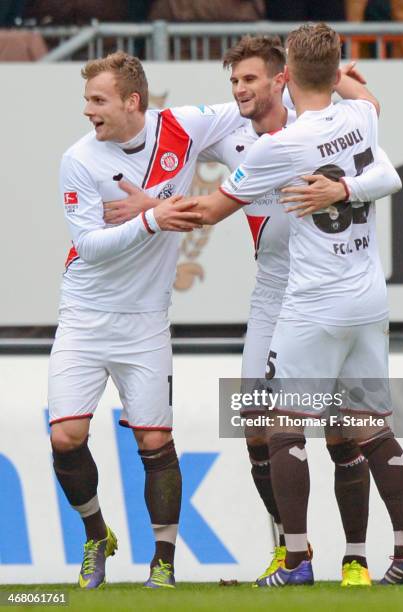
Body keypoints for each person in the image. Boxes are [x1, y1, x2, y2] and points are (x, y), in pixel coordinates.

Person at [103, 35, 403, 586]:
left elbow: (366, 110)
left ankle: (356, 557)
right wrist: (153, 192)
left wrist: (347, 79)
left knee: (340, 429)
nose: (240, 90)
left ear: (281, 79)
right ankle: (295, 551)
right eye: (234, 81)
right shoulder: (227, 124)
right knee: (256, 424)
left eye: (249, 80)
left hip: (322, 289)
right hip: (273, 293)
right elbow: (160, 129)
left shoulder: (309, 124)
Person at [170, 22, 403, 587]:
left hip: (314, 301)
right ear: (334, 70)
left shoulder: (279, 147)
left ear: (285, 77)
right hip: (368, 294)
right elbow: (370, 112)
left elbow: (212, 210)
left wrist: (154, 211)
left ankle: (295, 562)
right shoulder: (359, 117)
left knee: (284, 425)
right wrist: (348, 182)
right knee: (371, 425)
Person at [48, 50, 247, 590]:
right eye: (87, 99)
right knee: (66, 437)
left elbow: (250, 109)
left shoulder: (181, 126)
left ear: (133, 101)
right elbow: (89, 247)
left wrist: (323, 100)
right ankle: (96, 536)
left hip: (145, 321)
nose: (88, 110)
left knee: (155, 443)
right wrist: (154, 218)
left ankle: (163, 562)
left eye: (98, 99)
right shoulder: (79, 160)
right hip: (85, 316)